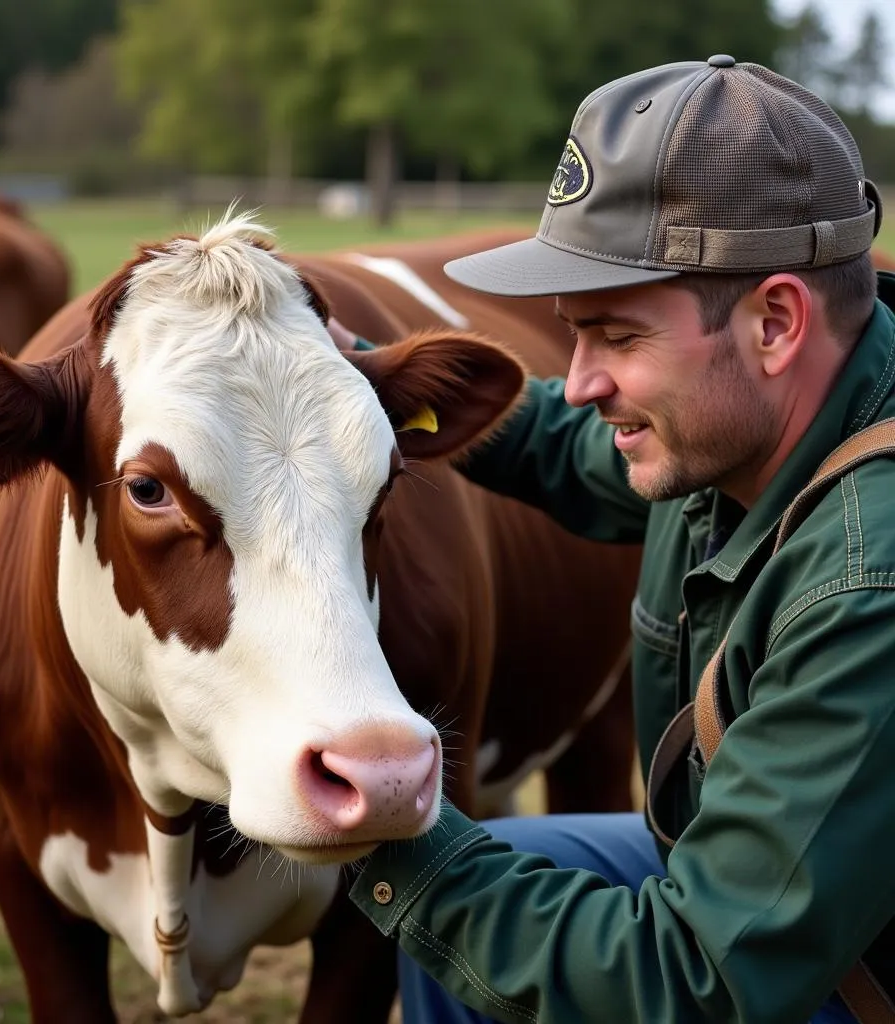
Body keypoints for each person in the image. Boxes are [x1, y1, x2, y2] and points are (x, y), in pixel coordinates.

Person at [330, 55, 895, 1023]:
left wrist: (383, 837)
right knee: (487, 895)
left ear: (773, 322)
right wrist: (356, 382)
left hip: (812, 965)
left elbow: (695, 980)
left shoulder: (865, 580)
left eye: (617, 337)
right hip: (757, 894)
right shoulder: (747, 423)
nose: (582, 379)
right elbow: (558, 440)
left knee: (455, 890)